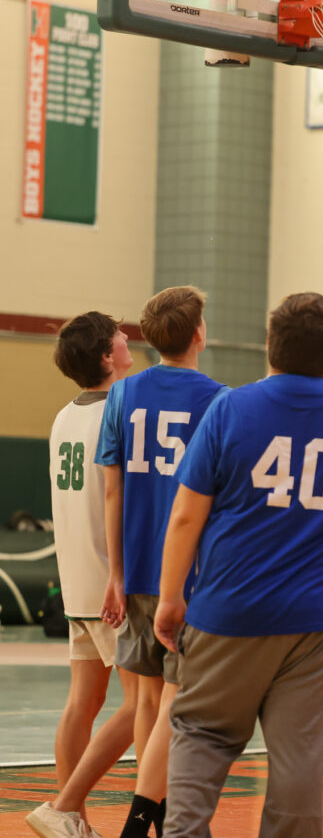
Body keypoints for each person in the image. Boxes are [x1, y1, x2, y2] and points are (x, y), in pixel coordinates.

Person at [149, 291, 323, 838]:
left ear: (270, 347)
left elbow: (185, 517)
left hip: (229, 609)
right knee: (299, 758)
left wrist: (169, 597)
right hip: (317, 621)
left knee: (203, 734)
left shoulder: (230, 407)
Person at [95, 286, 225, 838]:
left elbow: (112, 493)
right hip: (191, 574)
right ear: (199, 333)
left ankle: (157, 811)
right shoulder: (221, 399)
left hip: (140, 566)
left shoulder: (122, 396)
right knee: (180, 705)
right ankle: (158, 814)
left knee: (149, 697)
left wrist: (116, 574)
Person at [27, 313, 138, 838]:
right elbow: (116, 498)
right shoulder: (120, 412)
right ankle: (65, 804)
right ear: (104, 355)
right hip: (110, 579)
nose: (126, 338)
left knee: (84, 703)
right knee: (143, 707)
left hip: (75, 578)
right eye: (117, 335)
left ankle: (72, 819)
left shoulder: (63, 416)